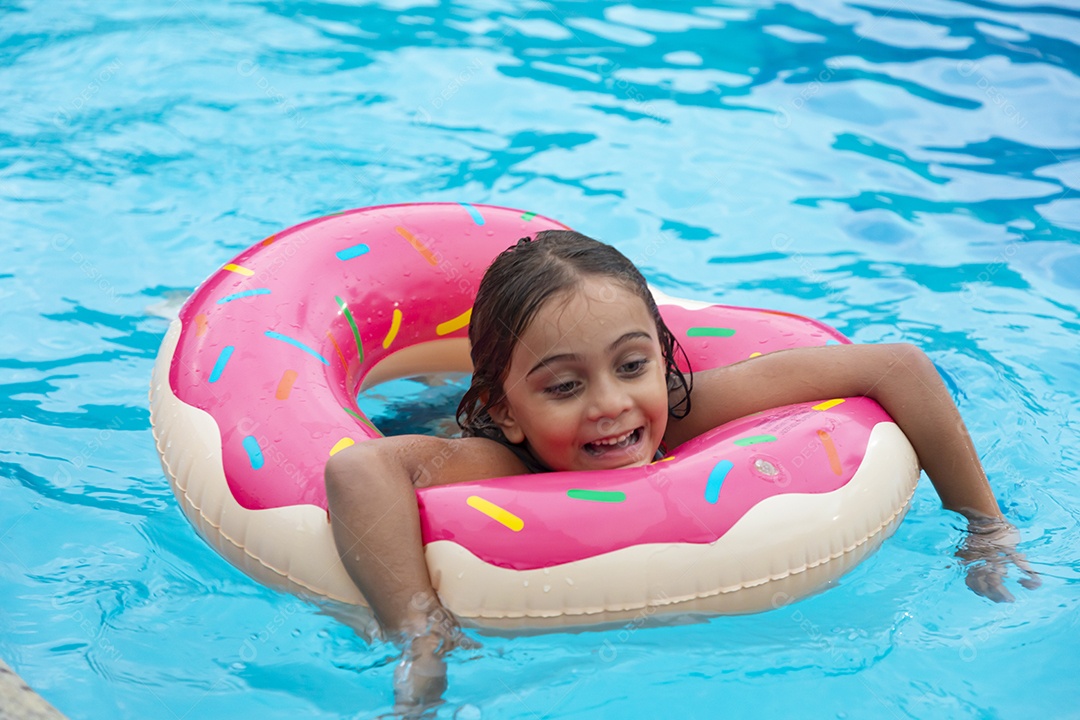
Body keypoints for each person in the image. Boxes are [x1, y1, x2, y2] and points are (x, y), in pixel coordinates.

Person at [324, 230, 1039, 711]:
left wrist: (985, 526)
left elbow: (897, 365)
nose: (610, 405)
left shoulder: (679, 410)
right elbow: (360, 470)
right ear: (507, 410)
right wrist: (418, 631)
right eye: (564, 386)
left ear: (662, 360)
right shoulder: (498, 454)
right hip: (433, 414)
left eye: (631, 365)